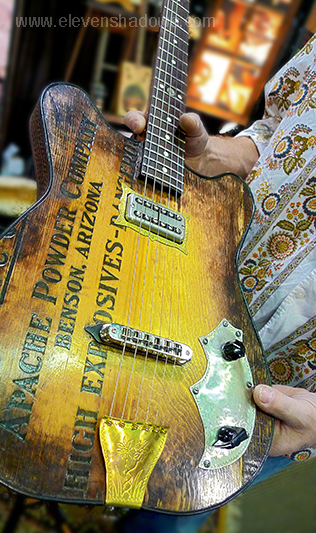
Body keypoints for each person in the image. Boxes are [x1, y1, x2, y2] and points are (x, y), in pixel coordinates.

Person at [122, 32, 316, 532]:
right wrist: (213, 156)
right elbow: (277, 130)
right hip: (199, 276)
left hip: (285, 389)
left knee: (170, 509)